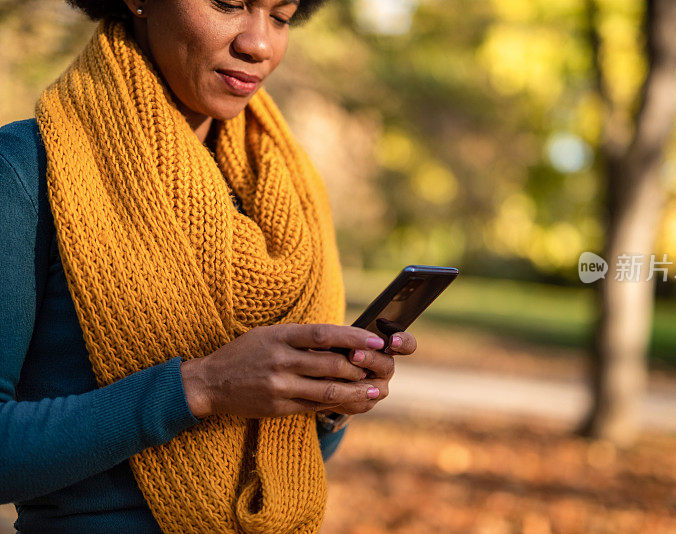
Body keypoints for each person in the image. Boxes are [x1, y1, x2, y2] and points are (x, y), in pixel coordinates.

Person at [0, 0, 417, 532]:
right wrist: (200, 387)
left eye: (282, 17)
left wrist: (328, 396)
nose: (259, 44)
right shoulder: (24, 171)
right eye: (228, 4)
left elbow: (285, 464)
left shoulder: (284, 194)